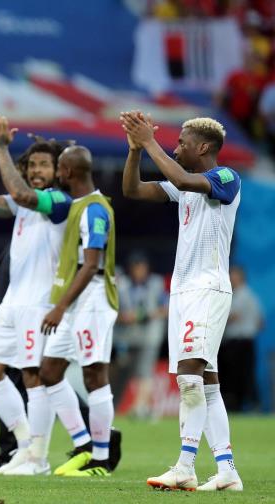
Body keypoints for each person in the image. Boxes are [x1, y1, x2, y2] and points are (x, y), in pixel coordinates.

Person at [121, 111, 243, 491]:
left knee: (188, 376)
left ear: (203, 147)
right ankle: (227, 471)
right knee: (206, 383)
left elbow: (181, 177)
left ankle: (185, 465)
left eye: (182, 143)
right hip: (184, 292)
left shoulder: (225, 178)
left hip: (208, 288)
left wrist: (150, 142)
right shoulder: (184, 186)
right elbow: (133, 190)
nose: (176, 148)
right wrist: (134, 150)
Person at [0, 116, 70, 476]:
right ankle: (26, 444)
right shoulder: (23, 204)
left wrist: (1, 150)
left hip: (40, 302)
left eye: (45, 164)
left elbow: (22, 195)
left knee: (33, 376)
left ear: (59, 170)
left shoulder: (60, 201)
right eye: (31, 165)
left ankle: (39, 459)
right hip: (13, 301)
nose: (36, 170)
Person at [38, 142, 119, 478]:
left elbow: (91, 265)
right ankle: (86, 444)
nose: (57, 174)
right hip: (75, 301)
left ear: (68, 172)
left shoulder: (94, 210)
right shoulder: (78, 206)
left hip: (92, 300)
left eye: (59, 168)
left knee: (94, 374)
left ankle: (101, 459)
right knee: (49, 371)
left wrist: (59, 307)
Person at [115, 252, 167, 419]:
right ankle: (115, 406)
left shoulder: (156, 283)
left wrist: (145, 315)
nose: (139, 271)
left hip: (149, 335)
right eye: (135, 267)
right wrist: (122, 316)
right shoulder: (121, 284)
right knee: (121, 371)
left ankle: (140, 407)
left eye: (141, 267)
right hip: (125, 336)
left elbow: (166, 307)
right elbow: (111, 308)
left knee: (144, 371)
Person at [221, 266, 263, 411]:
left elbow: (233, 316)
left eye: (232, 275)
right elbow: (260, 322)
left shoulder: (240, 294)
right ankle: (251, 404)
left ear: (239, 277)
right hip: (247, 341)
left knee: (236, 376)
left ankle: (238, 405)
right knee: (246, 374)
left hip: (238, 342)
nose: (230, 278)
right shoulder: (252, 295)